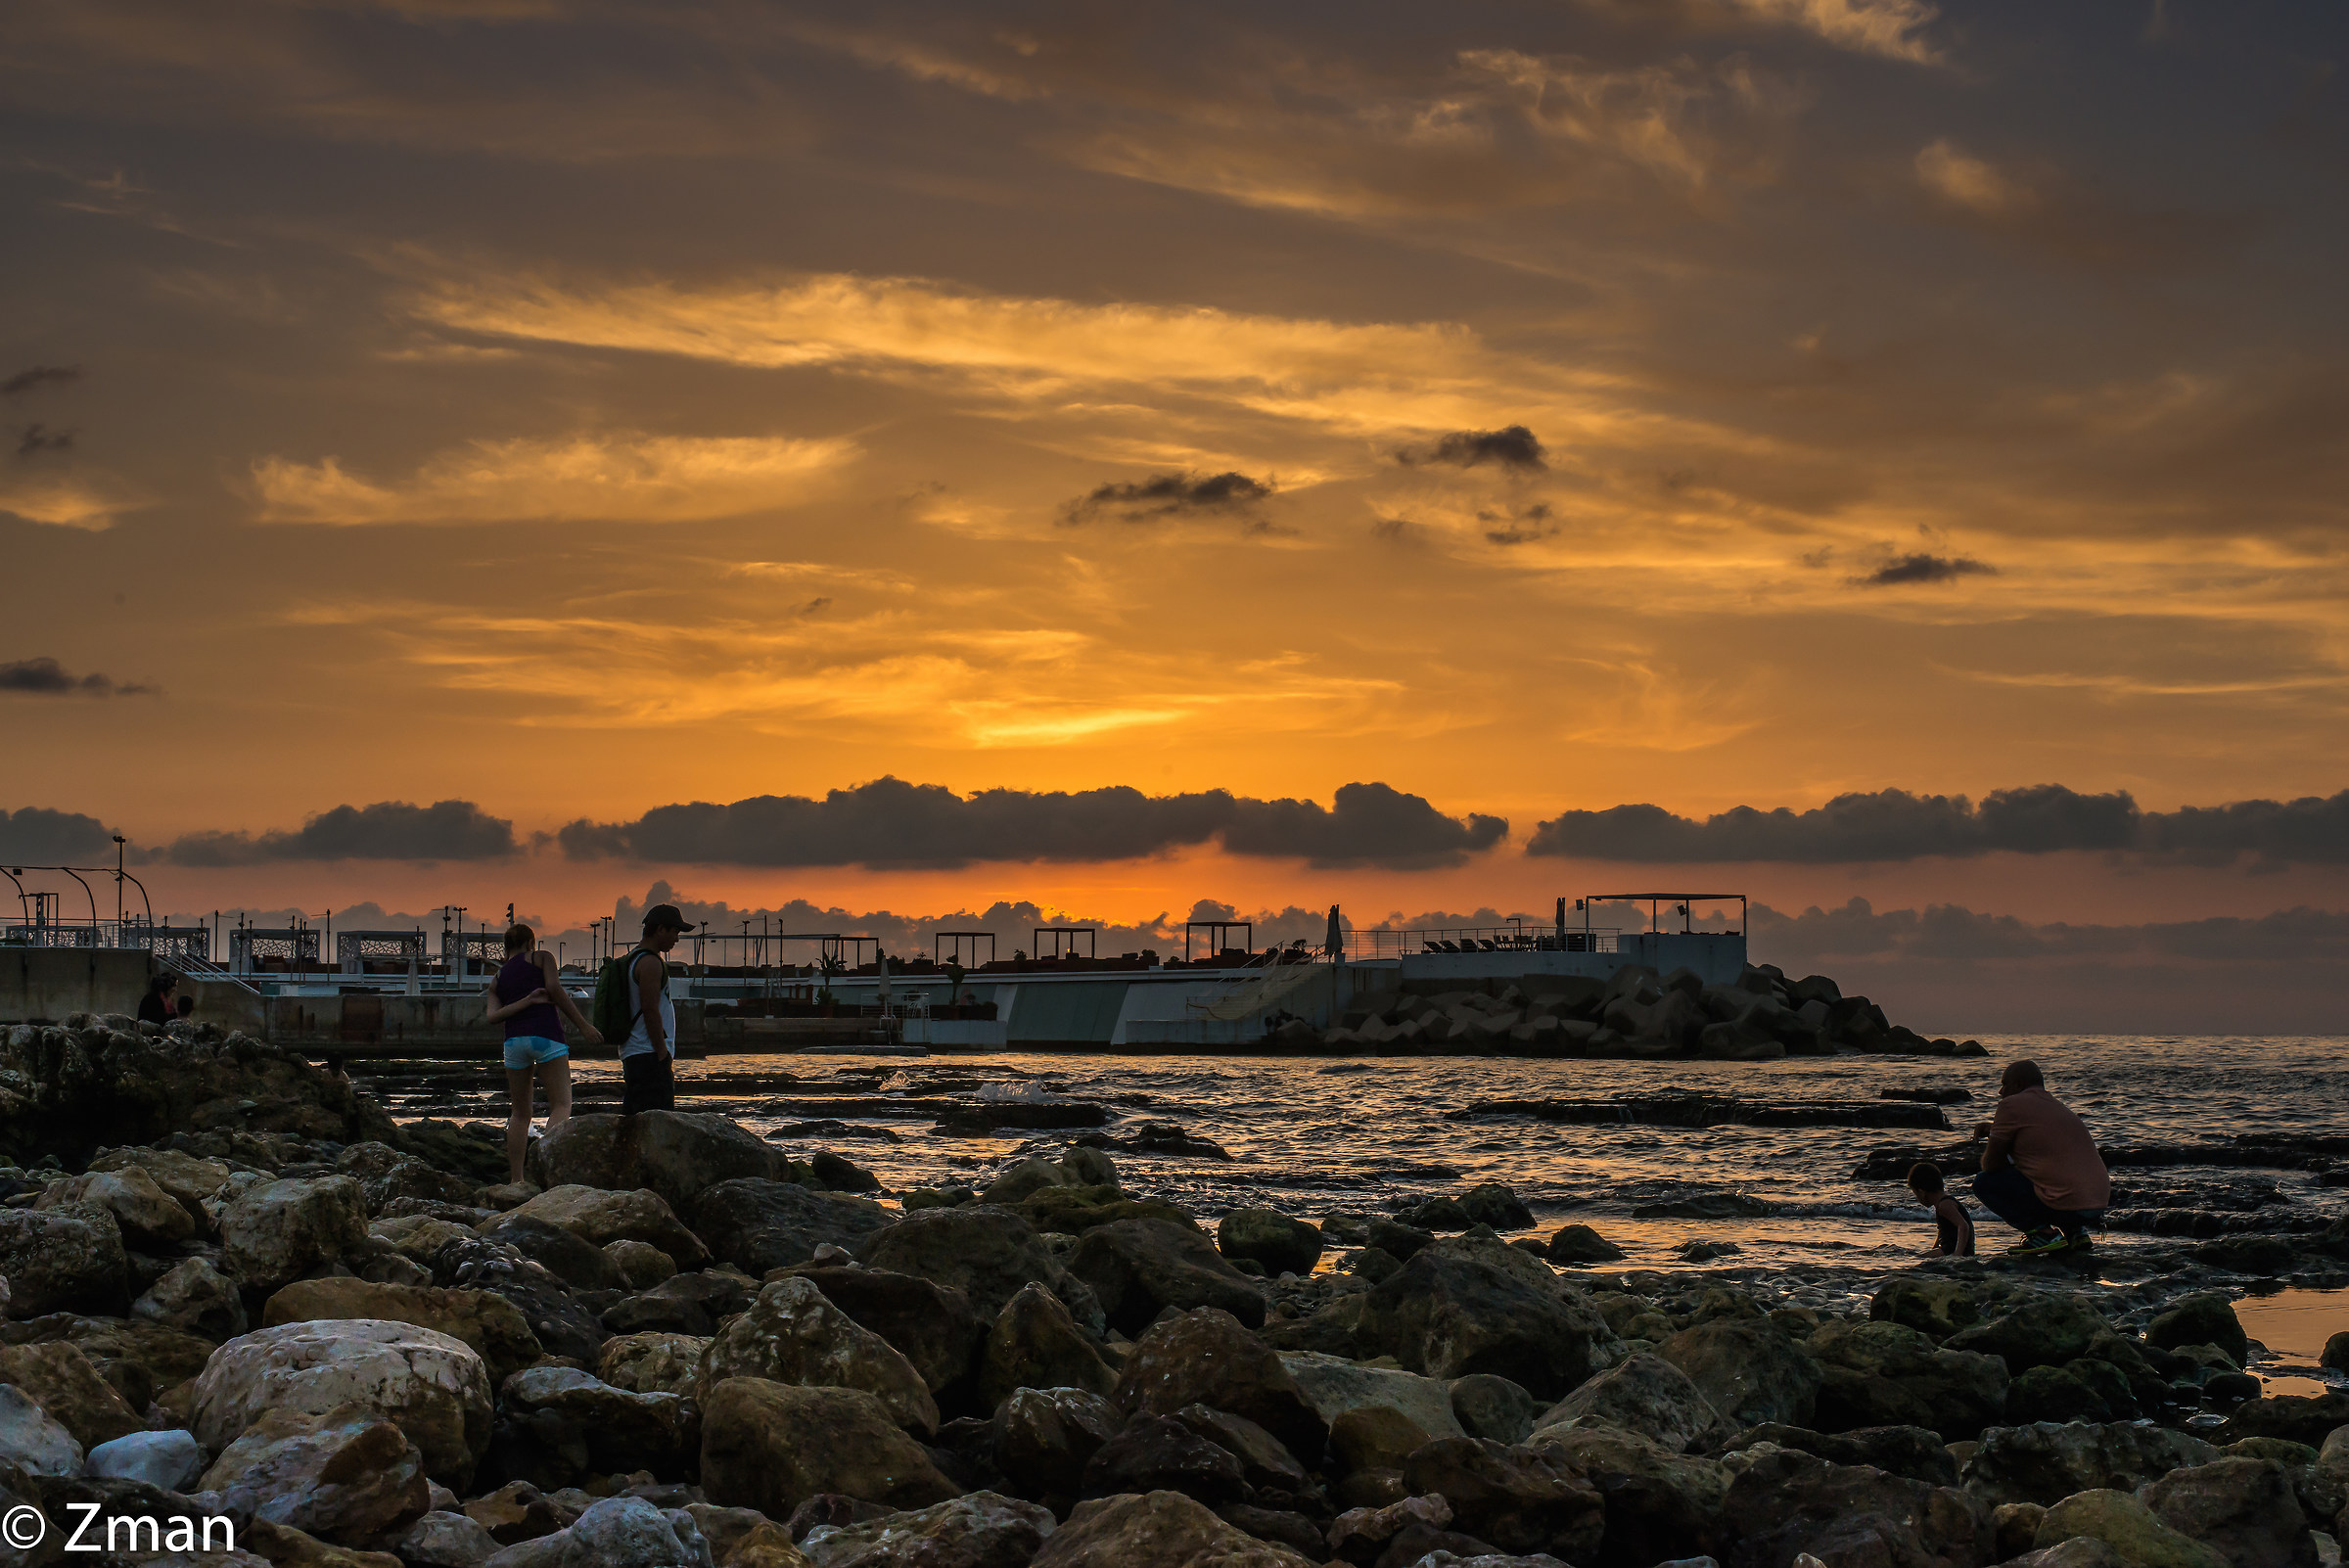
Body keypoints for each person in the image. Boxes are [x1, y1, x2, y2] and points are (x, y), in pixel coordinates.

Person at [484, 922, 600, 1183]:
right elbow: (555, 989)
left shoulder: (498, 978)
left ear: (506, 947)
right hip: (546, 1036)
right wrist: (584, 1026)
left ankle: (516, 1180)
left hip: (514, 1042)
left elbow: (492, 1016)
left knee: (520, 1113)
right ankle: (550, 1169)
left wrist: (524, 1001)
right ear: (530, 943)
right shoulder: (542, 958)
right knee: (560, 1105)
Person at [1972, 1058, 2110, 1255]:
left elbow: (1991, 1164)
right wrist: (1998, 1130)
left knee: (1984, 1182)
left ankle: (2042, 1234)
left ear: (2018, 1084)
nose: (2000, 1092)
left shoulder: (2010, 1104)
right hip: (2096, 1205)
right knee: (2045, 1174)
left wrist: (1996, 1137)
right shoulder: (2057, 1107)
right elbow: (2046, 1148)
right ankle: (2076, 1233)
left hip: (2068, 1203)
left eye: (2004, 1084)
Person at [621, 904, 687, 1116]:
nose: (677, 938)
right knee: (659, 1121)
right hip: (648, 1054)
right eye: (675, 931)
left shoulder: (633, 959)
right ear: (660, 929)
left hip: (636, 1052)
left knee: (636, 1120)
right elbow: (650, 1010)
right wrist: (662, 1052)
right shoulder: (650, 962)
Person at [1908, 1161, 1974, 1258]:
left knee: (1916, 1259)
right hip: (1949, 1248)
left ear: (1921, 1192)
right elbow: (1943, 1233)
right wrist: (1933, 1248)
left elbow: (1963, 1225)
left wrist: (1958, 1254)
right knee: (1923, 1257)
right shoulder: (1943, 1203)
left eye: (1915, 1194)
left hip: (1951, 1250)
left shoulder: (1944, 1205)